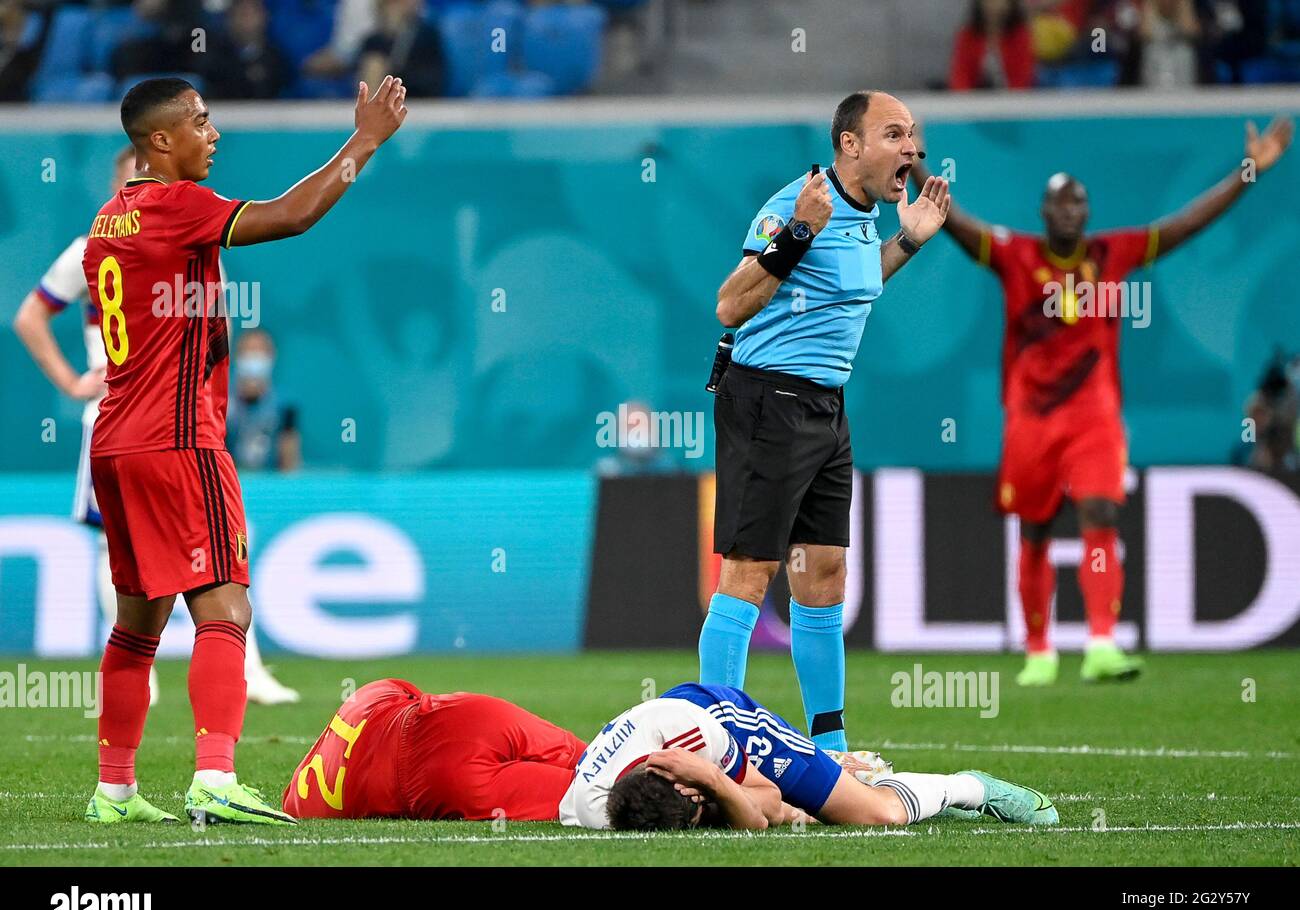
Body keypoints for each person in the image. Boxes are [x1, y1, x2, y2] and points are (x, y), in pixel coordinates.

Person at [81, 74, 407, 827]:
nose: (213, 131)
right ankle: (216, 777)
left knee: (136, 623)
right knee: (226, 602)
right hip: (177, 438)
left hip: (117, 441)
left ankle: (115, 791)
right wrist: (365, 140)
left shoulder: (110, 218)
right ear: (159, 142)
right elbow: (292, 216)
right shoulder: (177, 203)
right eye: (199, 120)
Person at [909, 115, 1293, 687]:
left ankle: (1101, 643)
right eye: (1060, 202)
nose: (1070, 210)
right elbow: (956, 222)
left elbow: (1187, 223)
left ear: (1088, 212)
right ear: (1044, 213)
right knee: (1035, 528)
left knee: (1100, 512)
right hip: (1030, 419)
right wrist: (914, 164)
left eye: (1079, 201)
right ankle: (1039, 649)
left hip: (1094, 415)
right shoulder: (1014, 256)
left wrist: (1247, 173)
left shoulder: (1116, 254)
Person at [702, 90, 950, 753]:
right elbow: (730, 306)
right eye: (895, 134)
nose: (912, 149)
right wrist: (799, 233)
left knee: (825, 572)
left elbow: (852, 284)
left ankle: (830, 750)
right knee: (751, 572)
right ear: (850, 145)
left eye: (914, 136)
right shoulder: (799, 204)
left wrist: (908, 242)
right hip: (768, 403)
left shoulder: (866, 213)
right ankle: (720, 742)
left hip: (825, 407)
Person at [12, 146, 299, 710]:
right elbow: (30, 316)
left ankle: (239, 671)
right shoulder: (99, 241)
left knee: (215, 551)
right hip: (134, 412)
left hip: (170, 417)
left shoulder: (177, 230)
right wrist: (72, 381)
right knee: (141, 555)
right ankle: (160, 680)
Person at [563, 683, 1058, 831]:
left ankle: (970, 786)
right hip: (691, 760)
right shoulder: (593, 808)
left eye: (696, 810)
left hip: (723, 717)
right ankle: (837, 774)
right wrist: (715, 797)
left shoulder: (695, 734)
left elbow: (764, 803)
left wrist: (717, 783)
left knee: (872, 815)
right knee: (796, 817)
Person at [283, 679, 586, 821]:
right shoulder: (369, 694)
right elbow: (409, 693)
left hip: (441, 783)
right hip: (465, 716)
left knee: (598, 796)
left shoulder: (299, 804)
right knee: (602, 759)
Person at [226, 329, 301, 472]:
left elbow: (289, 464)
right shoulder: (221, 401)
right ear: (237, 356)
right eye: (248, 352)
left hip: (270, 485)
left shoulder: (285, 405)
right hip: (230, 482)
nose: (253, 359)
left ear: (271, 357)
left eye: (259, 352)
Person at [948, 0, 1036, 91]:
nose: (995, 5)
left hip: (1013, 99)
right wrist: (966, 100)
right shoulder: (967, 35)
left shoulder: (1020, 35)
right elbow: (960, 74)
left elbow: (1024, 76)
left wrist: (1011, 101)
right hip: (974, 99)